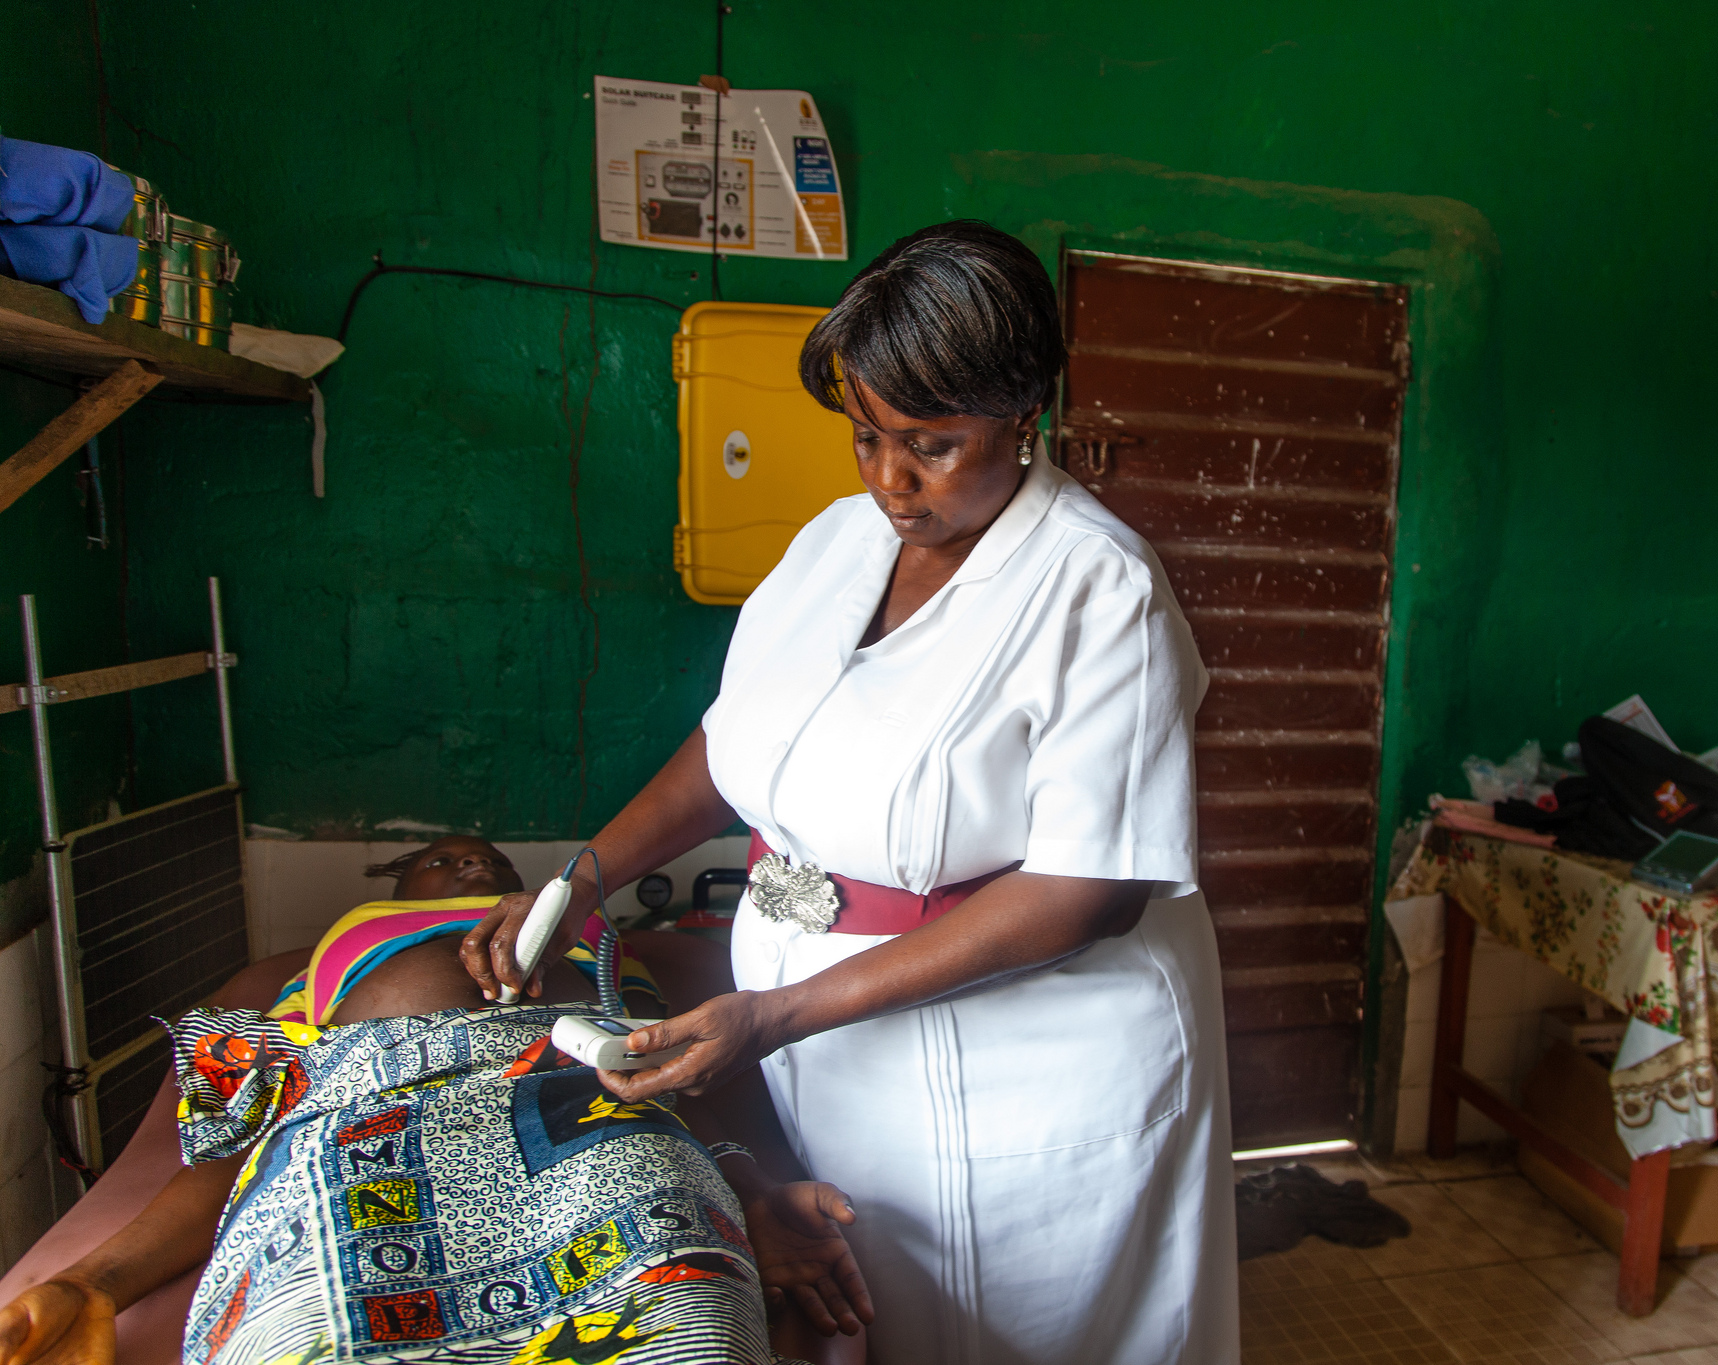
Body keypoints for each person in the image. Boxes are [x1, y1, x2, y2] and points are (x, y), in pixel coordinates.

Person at [465, 222, 1238, 1364]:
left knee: (1026, 1330)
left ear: (1023, 413)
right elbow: (737, 745)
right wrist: (579, 880)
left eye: (930, 443)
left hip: (1030, 1072)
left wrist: (771, 1017)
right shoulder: (834, 544)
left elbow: (1089, 889)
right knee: (882, 1313)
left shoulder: (1098, 589)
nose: (888, 478)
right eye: (866, 436)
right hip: (835, 1049)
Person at [0, 836, 871, 1365]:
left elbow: (676, 1086)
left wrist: (754, 1194)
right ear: (389, 898)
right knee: (313, 1331)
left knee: (687, 1320)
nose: (471, 866)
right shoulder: (342, 948)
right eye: (441, 861)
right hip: (371, 1095)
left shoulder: (588, 934)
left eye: (491, 864)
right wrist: (93, 1282)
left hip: (592, 1101)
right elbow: (254, 1142)